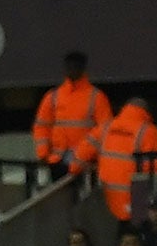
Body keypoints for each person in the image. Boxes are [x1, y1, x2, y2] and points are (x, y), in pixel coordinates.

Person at [32, 51, 111, 179]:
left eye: (75, 67)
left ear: (82, 68)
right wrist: (43, 153)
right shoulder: (53, 97)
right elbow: (41, 127)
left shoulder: (96, 97)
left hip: (87, 163)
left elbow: (105, 129)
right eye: (69, 67)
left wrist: (86, 151)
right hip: (58, 161)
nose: (71, 70)